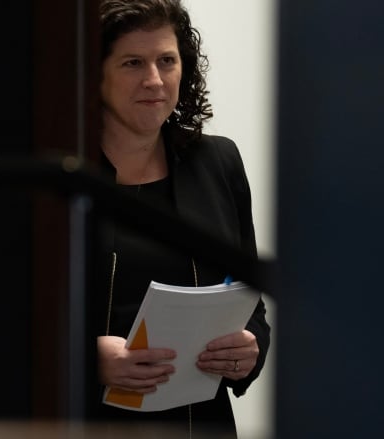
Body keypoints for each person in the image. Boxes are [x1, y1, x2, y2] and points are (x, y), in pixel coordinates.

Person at [91, 0, 271, 437]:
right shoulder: (63, 172)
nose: (154, 80)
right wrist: (87, 359)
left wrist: (250, 350)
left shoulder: (218, 161)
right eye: (133, 62)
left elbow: (249, 301)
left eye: (166, 61)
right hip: (86, 422)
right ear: (94, 74)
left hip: (200, 424)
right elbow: (10, 317)